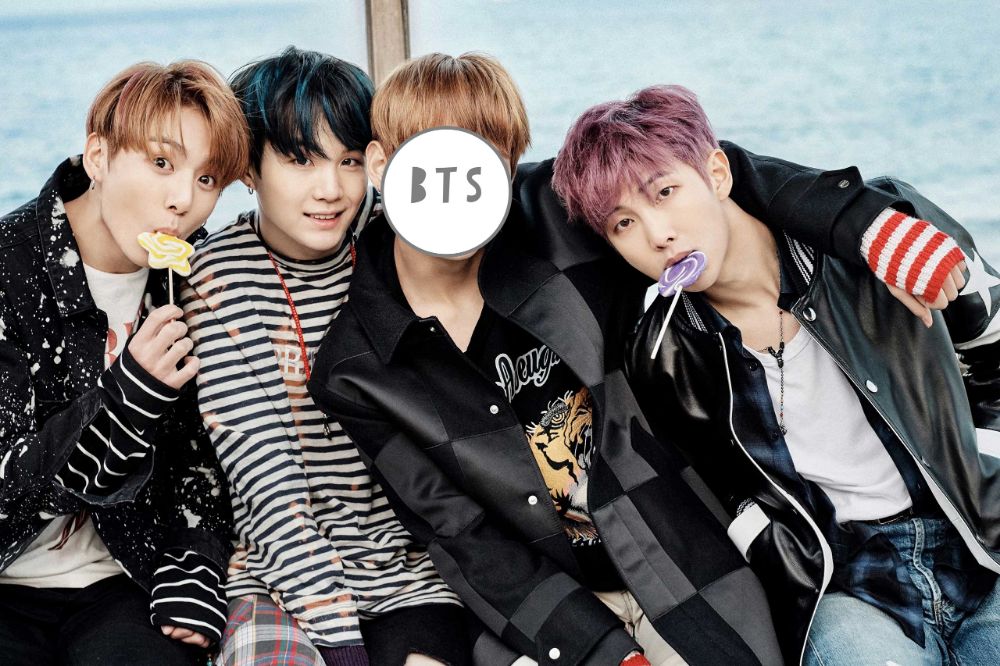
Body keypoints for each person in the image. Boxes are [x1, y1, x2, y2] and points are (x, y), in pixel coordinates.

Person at [307, 52, 935, 666]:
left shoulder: (555, 218)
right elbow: (462, 536)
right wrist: (602, 652)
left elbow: (700, 167)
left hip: (682, 560)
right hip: (548, 613)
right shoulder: (354, 370)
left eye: (484, 164)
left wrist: (868, 227)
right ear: (383, 164)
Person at [551, 84, 1000, 665]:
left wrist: (981, 459)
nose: (657, 235)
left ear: (717, 174)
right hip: (844, 581)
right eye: (623, 224)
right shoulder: (666, 349)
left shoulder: (877, 234)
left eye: (665, 192)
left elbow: (993, 347)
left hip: (979, 536)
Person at [180, 47, 468, 666]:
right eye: (300, 159)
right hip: (278, 575)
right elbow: (267, 481)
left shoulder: (399, 244)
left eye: (350, 160)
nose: (331, 189)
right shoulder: (218, 279)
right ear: (249, 167)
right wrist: (340, 645)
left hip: (416, 571)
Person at [0, 60, 247, 664]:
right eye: (161, 163)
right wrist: (126, 396)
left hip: (128, 577)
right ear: (99, 157)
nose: (183, 200)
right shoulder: (10, 269)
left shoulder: (194, 281)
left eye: (208, 178)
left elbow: (206, 459)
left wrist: (196, 564)